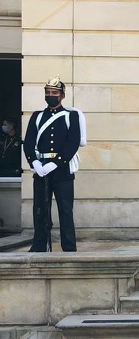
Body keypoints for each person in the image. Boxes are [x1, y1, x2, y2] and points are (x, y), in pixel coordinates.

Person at [23, 76, 81, 252]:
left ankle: (69, 247)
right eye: (48, 93)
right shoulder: (37, 116)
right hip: (41, 169)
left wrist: (56, 163)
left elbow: (73, 142)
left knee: (65, 210)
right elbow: (29, 143)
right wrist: (35, 163)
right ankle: (39, 245)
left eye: (54, 93)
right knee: (40, 210)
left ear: (62, 95)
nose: (51, 95)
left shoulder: (71, 116)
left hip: (62, 171)